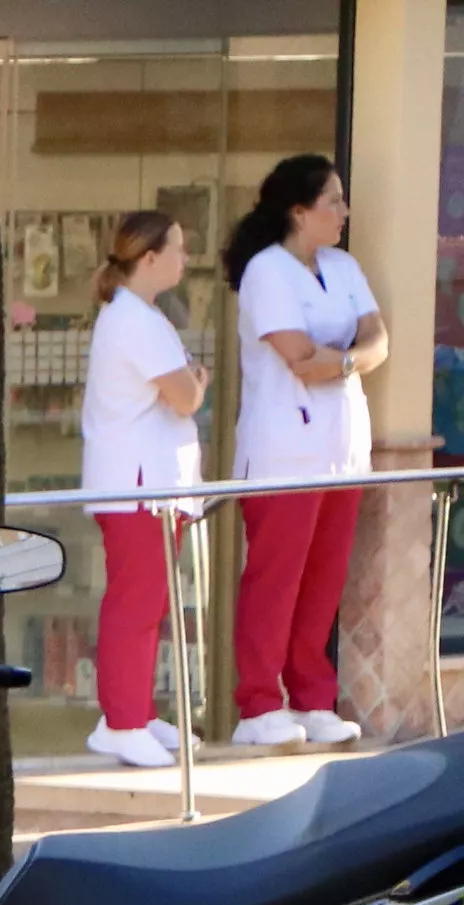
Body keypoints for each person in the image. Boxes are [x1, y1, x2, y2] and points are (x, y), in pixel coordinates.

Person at [225, 153, 385, 751]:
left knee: (322, 581)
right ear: (299, 210)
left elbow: (378, 337)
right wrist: (347, 359)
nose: (343, 212)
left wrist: (340, 360)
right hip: (283, 451)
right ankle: (259, 703)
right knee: (276, 580)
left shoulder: (343, 266)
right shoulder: (268, 271)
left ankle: (313, 697)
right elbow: (297, 355)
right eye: (333, 201)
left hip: (341, 447)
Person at [78, 212, 204, 772]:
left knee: (149, 603)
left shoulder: (139, 317)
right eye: (177, 249)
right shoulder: (135, 321)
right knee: (135, 604)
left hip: (150, 486)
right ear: (148, 258)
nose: (184, 258)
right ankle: (122, 721)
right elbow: (185, 397)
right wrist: (196, 380)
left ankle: (134, 711)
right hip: (136, 489)